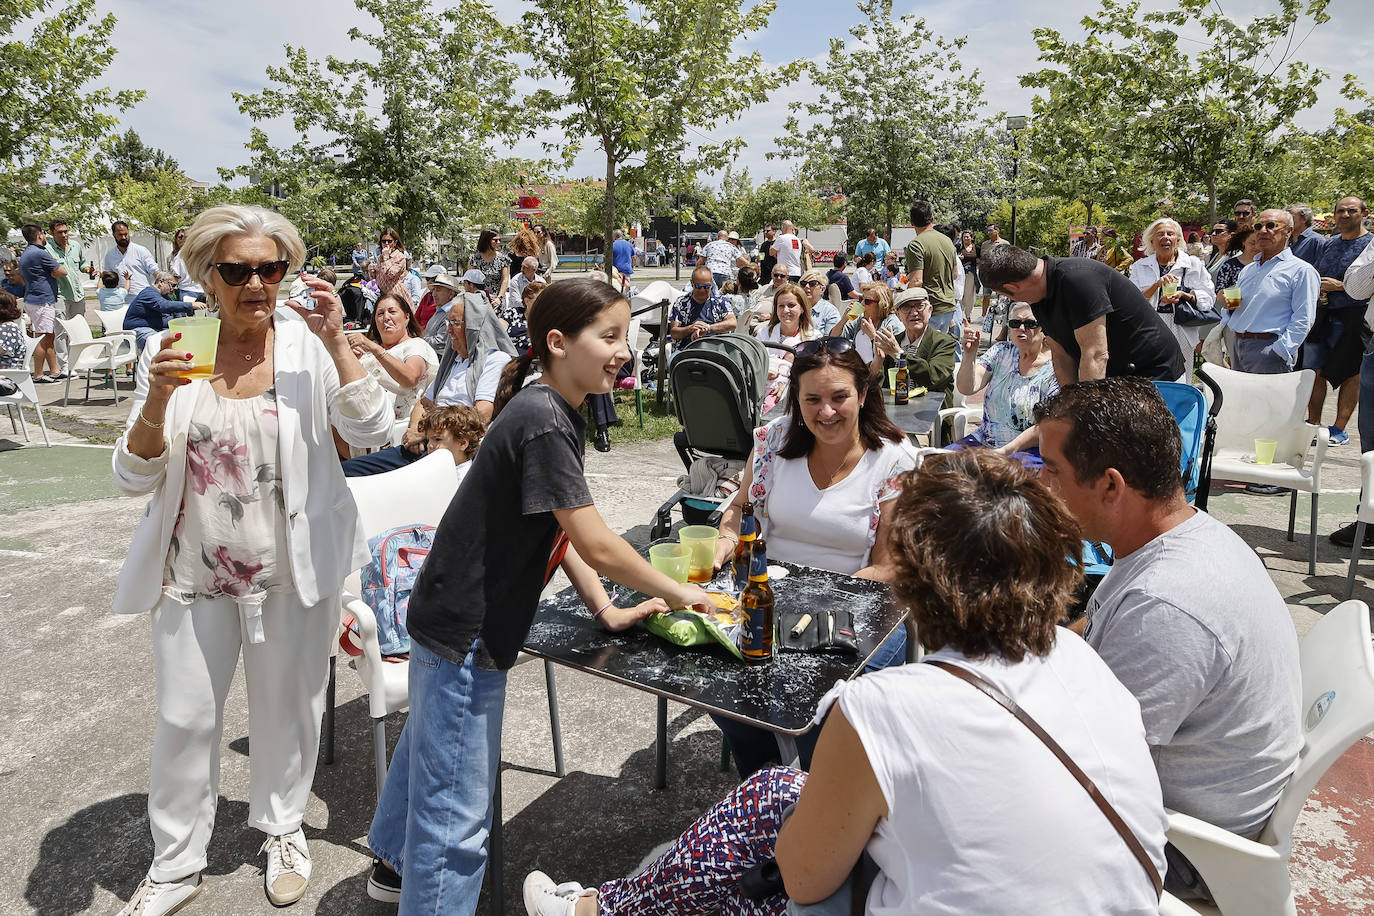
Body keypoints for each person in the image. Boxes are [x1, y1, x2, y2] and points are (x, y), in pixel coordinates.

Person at [526, 448, 1168, 916]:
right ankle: (613, 902)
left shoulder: (883, 708)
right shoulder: (1085, 663)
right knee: (774, 791)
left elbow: (805, 882)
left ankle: (609, 907)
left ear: (912, 576)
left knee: (743, 884)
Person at [362, 277, 715, 913]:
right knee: (456, 823)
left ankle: (392, 866)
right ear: (557, 342)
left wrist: (606, 609)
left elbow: (559, 528)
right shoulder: (547, 420)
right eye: (609, 336)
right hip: (469, 630)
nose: (624, 350)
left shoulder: (544, 407)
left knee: (429, 754)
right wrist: (681, 592)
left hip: (446, 616)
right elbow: (596, 541)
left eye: (626, 336)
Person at [112, 205, 392, 916]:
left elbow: (373, 429)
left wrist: (339, 343)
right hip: (193, 571)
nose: (257, 284)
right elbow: (133, 476)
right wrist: (157, 398)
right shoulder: (179, 348)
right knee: (184, 719)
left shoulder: (306, 347)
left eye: (271, 268)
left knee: (290, 709)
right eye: (237, 271)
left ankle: (284, 826)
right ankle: (176, 865)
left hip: (292, 570)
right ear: (208, 277)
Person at [1036, 378, 1301, 901]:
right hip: (1180, 805)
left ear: (1111, 486)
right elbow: (1096, 626)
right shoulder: (1177, 536)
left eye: (1051, 470)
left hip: (1184, 850)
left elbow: (1094, 762)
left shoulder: (1167, 603)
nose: (1040, 485)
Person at [706, 343, 922, 776]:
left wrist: (808, 611)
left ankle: (816, 788)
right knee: (718, 687)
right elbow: (740, 509)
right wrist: (726, 541)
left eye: (839, 397)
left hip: (860, 612)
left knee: (818, 711)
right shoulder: (774, 441)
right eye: (812, 399)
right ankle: (767, 782)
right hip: (767, 602)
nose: (826, 412)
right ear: (796, 399)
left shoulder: (894, 460)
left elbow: (889, 566)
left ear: (863, 393)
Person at [343, 281, 517, 477]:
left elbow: (482, 414)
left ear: (474, 327)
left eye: (455, 323)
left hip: (452, 448)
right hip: (426, 441)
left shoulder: (493, 360)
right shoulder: (454, 361)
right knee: (346, 471)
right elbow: (423, 403)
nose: (448, 330)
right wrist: (415, 431)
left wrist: (427, 433)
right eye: (447, 323)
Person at [981, 243, 1188, 386]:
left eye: (1004, 295)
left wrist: (1086, 413)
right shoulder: (1039, 296)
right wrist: (1070, 403)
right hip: (1117, 377)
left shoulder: (1078, 280)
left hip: (1155, 375)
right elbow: (1061, 356)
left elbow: (1095, 353)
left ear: (1013, 287)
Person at [951, 302, 1058, 467]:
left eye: (1030, 324)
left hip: (1028, 452)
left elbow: (1048, 426)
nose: (1021, 328)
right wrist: (969, 355)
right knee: (938, 465)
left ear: (1044, 328)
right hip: (985, 441)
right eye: (1015, 323)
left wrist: (1003, 452)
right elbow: (967, 388)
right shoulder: (1001, 351)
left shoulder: (1054, 368)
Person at [1302, 197, 1372, 447]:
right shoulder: (1329, 243)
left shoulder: (1370, 244)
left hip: (1356, 315)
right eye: (1340, 211)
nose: (1345, 215)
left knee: (1352, 373)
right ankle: (1313, 424)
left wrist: (1340, 286)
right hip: (1323, 314)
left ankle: (1339, 429)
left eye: (1351, 210)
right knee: (1314, 370)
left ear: (1364, 214)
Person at [1220, 208, 1318, 374]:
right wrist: (1230, 308)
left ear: (1289, 231)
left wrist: (1281, 350)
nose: (1263, 231)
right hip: (1238, 346)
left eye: (1271, 225)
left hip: (1269, 350)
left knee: (1268, 393)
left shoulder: (1301, 270)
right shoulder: (1249, 270)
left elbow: (1304, 318)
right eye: (1258, 226)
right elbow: (1239, 307)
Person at [1129, 217, 1217, 365]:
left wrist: (1185, 295)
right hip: (1150, 326)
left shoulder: (1193, 264)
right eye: (1160, 234)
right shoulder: (1140, 266)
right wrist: (1157, 285)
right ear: (1151, 240)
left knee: (1181, 372)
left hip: (1182, 328)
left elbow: (1209, 298)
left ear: (1178, 240)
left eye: (1170, 234)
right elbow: (1132, 301)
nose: (1165, 237)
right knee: (1152, 372)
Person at [345, 292, 439, 424]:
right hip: (363, 421)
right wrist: (352, 360)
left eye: (392, 311)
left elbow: (410, 379)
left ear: (407, 317)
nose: (386, 317)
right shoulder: (367, 351)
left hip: (399, 425)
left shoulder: (416, 345)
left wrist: (375, 349)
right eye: (380, 313)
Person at [876, 286, 956, 408]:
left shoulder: (944, 342)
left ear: (930, 310)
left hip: (929, 412)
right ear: (898, 315)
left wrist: (899, 354)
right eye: (906, 308)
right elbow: (876, 384)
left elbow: (933, 377)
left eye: (919, 306)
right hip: (895, 409)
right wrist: (877, 361)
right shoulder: (892, 342)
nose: (914, 313)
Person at [755, 282, 815, 414]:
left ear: (802, 308)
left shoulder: (813, 338)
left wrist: (788, 386)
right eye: (781, 306)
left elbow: (813, 374)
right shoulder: (763, 334)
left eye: (791, 305)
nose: (785, 310)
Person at [17, 223, 67, 382]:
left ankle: (54, 370)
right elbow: (62, 271)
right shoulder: (40, 253)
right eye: (44, 233)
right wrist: (53, 270)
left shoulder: (27, 253)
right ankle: (38, 374)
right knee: (42, 337)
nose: (45, 236)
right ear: (39, 235)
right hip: (42, 301)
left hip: (34, 299)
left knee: (49, 336)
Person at [46, 218, 96, 375]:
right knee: (61, 331)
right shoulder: (47, 249)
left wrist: (88, 269)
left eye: (66, 231)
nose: (64, 235)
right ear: (51, 233)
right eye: (59, 232)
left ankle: (79, 362)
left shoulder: (75, 246)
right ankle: (65, 366)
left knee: (77, 329)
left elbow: (82, 264)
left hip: (77, 293)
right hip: (59, 294)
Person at [903, 200, 959, 335]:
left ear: (911, 222)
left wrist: (902, 303)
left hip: (929, 309)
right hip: (948, 306)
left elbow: (917, 281)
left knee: (922, 347)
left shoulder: (916, 245)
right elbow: (954, 274)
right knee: (939, 346)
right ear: (932, 219)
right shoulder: (947, 241)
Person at [828, 281, 904, 378]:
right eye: (861, 299)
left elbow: (891, 359)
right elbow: (833, 338)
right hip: (857, 374)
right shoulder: (861, 320)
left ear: (881, 304)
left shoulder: (892, 325)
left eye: (867, 301)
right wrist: (844, 319)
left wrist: (873, 335)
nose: (862, 304)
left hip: (880, 378)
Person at [123, 270, 197, 354]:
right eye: (173, 285)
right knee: (158, 342)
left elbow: (175, 312)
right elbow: (164, 306)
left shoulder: (165, 296)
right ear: (161, 282)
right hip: (138, 330)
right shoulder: (148, 293)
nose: (175, 288)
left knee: (183, 339)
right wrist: (191, 305)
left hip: (156, 329)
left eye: (177, 286)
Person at [668, 266, 736, 344]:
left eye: (706, 287)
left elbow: (732, 323)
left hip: (715, 348)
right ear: (692, 283)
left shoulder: (721, 302)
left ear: (712, 284)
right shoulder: (681, 302)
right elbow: (674, 333)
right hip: (687, 348)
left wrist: (708, 328)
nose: (702, 290)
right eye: (698, 286)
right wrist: (690, 329)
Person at [373, 227, 414, 307]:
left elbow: (390, 274)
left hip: (396, 294)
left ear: (395, 242)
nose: (386, 244)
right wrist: (372, 270)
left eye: (389, 241)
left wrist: (386, 258)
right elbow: (376, 278)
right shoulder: (380, 257)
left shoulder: (400, 257)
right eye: (384, 241)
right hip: (383, 294)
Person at [798, 268, 842, 336]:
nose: (807, 286)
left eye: (812, 284)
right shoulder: (793, 307)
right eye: (803, 284)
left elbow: (830, 340)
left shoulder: (830, 312)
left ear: (822, 289)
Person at [958, 228, 980, 318]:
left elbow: (979, 260)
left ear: (971, 238)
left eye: (967, 237)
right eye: (964, 237)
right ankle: (959, 314)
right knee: (960, 293)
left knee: (969, 294)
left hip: (971, 273)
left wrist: (976, 260)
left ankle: (968, 315)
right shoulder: (958, 247)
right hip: (960, 273)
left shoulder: (976, 248)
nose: (965, 238)